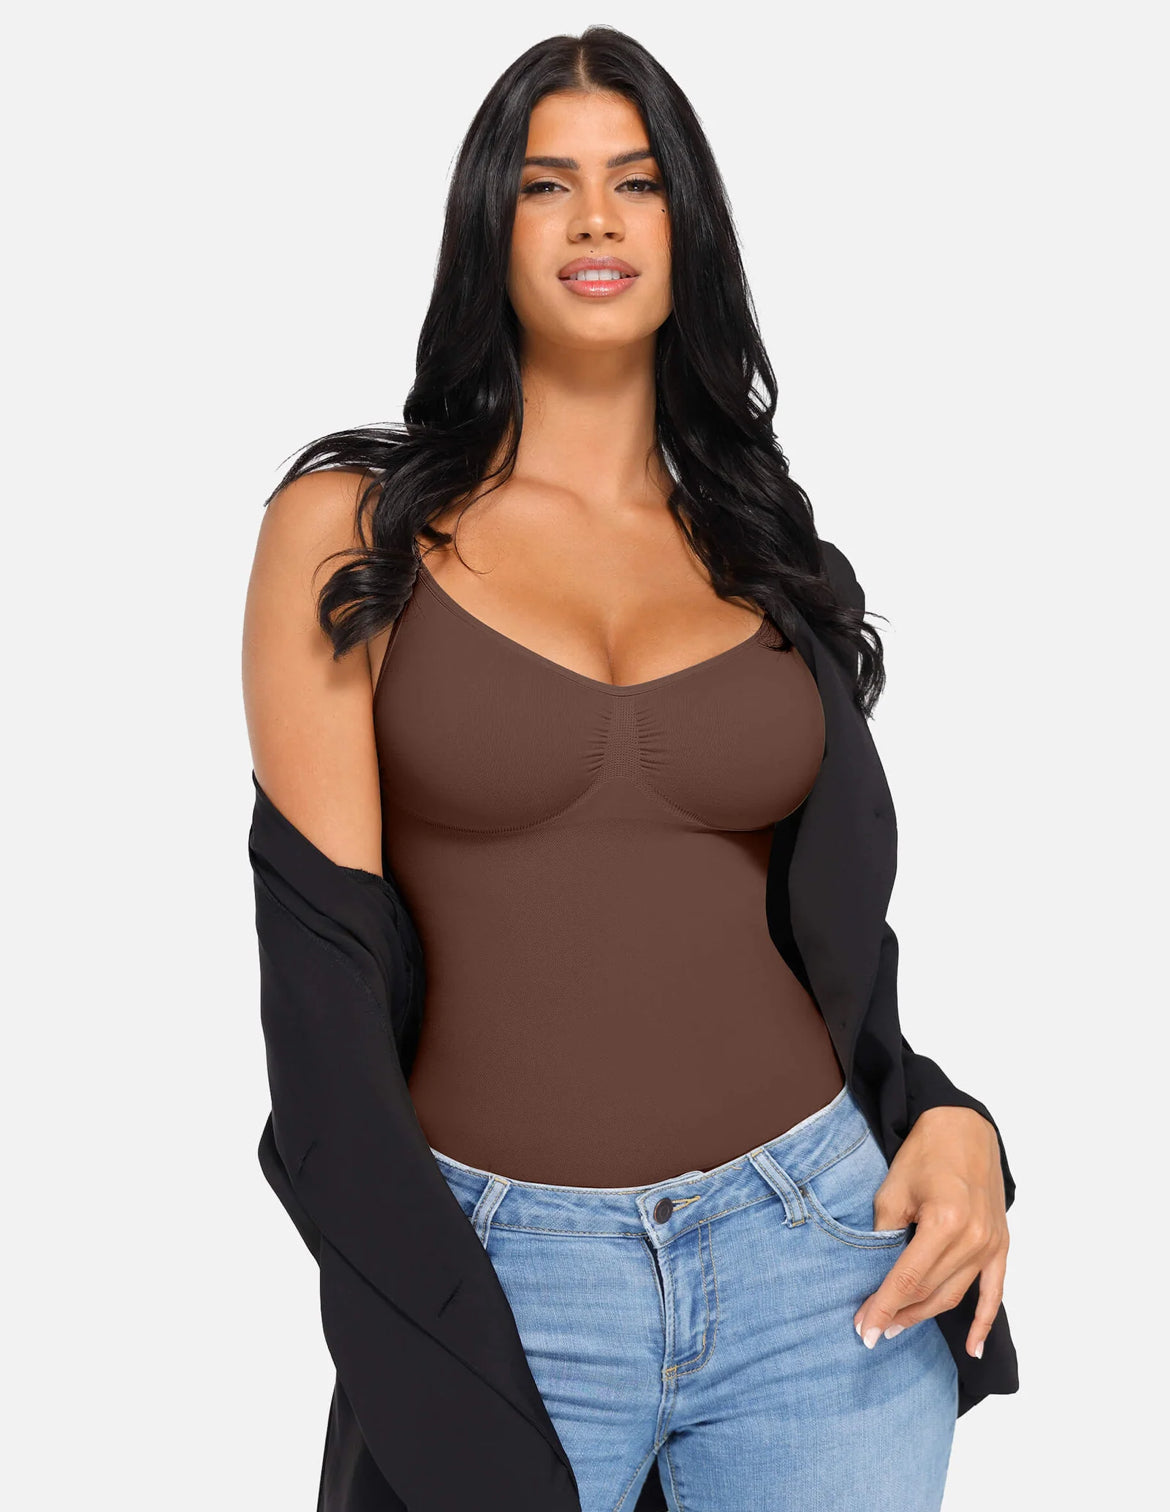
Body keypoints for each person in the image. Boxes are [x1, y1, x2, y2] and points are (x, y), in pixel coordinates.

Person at [242, 27, 1016, 1512]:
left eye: (637, 182)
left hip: (819, 1263)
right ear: (491, 228)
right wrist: (427, 1334)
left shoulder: (765, 548)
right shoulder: (355, 529)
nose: (595, 219)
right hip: (503, 1277)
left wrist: (950, 1119)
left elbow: (834, 954)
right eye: (548, 184)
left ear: (687, 229)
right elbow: (320, 1004)